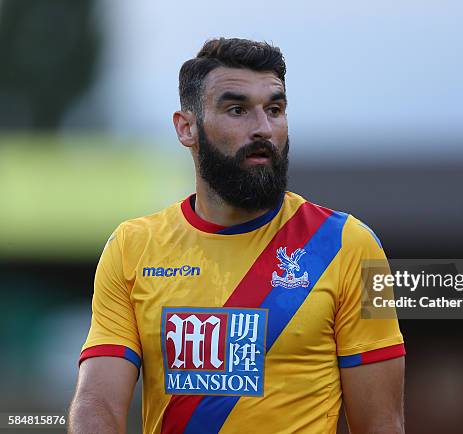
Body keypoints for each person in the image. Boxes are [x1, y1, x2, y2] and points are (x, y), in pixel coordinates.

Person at [68, 37, 405, 434]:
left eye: (275, 110)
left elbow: (381, 424)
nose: (263, 128)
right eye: (237, 110)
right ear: (187, 128)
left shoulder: (352, 245)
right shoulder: (131, 248)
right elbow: (98, 403)